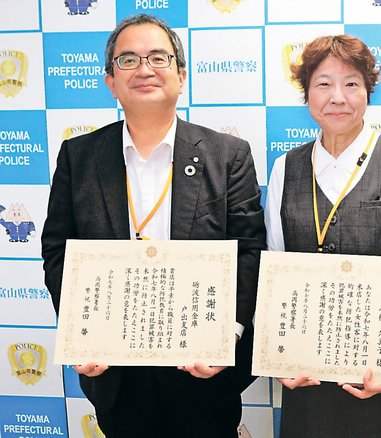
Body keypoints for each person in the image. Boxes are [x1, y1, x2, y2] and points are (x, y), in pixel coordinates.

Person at [41, 14, 266, 438]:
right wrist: (79, 331)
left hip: (202, 372)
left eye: (158, 58)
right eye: (128, 60)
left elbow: (249, 250)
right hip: (116, 373)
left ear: (181, 76)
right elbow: (58, 251)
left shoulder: (227, 155)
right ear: (111, 82)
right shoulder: (79, 156)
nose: (144, 69)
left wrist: (228, 335)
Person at [264, 34, 381, 437]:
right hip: (308, 376)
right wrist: (280, 358)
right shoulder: (285, 168)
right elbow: (275, 271)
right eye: (323, 84)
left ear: (367, 91)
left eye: (351, 84)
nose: (338, 98)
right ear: (306, 93)